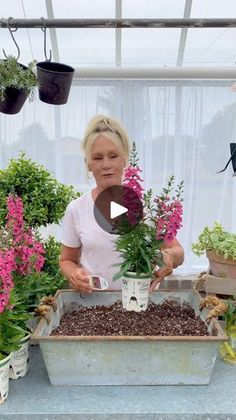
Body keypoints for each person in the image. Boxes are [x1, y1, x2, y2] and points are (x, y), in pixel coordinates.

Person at [59, 115, 184, 294]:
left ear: (124, 159)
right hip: (93, 308)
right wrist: (75, 275)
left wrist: (170, 256)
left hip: (142, 306)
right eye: (97, 158)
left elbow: (178, 252)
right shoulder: (77, 209)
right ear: (88, 164)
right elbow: (66, 260)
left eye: (113, 156)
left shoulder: (147, 206)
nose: (106, 164)